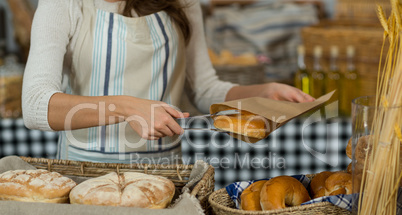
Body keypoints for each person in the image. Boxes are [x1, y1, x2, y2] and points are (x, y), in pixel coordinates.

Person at [22, 0, 314, 164]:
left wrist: (262, 92)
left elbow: (205, 89)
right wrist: (127, 108)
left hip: (164, 171)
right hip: (85, 173)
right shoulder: (62, 4)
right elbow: (35, 105)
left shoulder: (182, 3)